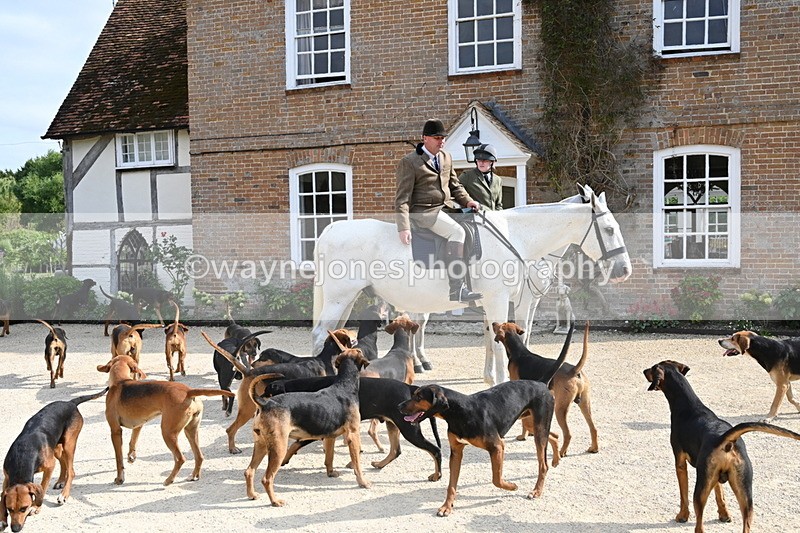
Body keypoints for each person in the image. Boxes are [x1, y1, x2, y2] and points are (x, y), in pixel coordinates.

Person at [395, 119, 483, 302]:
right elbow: (402, 197)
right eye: (437, 138)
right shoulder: (409, 162)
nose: (441, 141)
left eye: (443, 138)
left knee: (476, 226)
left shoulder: (446, 157)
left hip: (446, 208)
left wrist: (468, 201)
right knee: (457, 232)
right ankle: (456, 289)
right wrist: (403, 227)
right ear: (425, 138)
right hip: (424, 212)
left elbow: (455, 185)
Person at [458, 143, 502, 211]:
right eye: (478, 160)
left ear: (492, 162)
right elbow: (456, 192)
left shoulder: (498, 180)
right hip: (473, 218)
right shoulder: (467, 175)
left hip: (492, 219)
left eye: (484, 160)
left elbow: (498, 205)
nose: (481, 163)